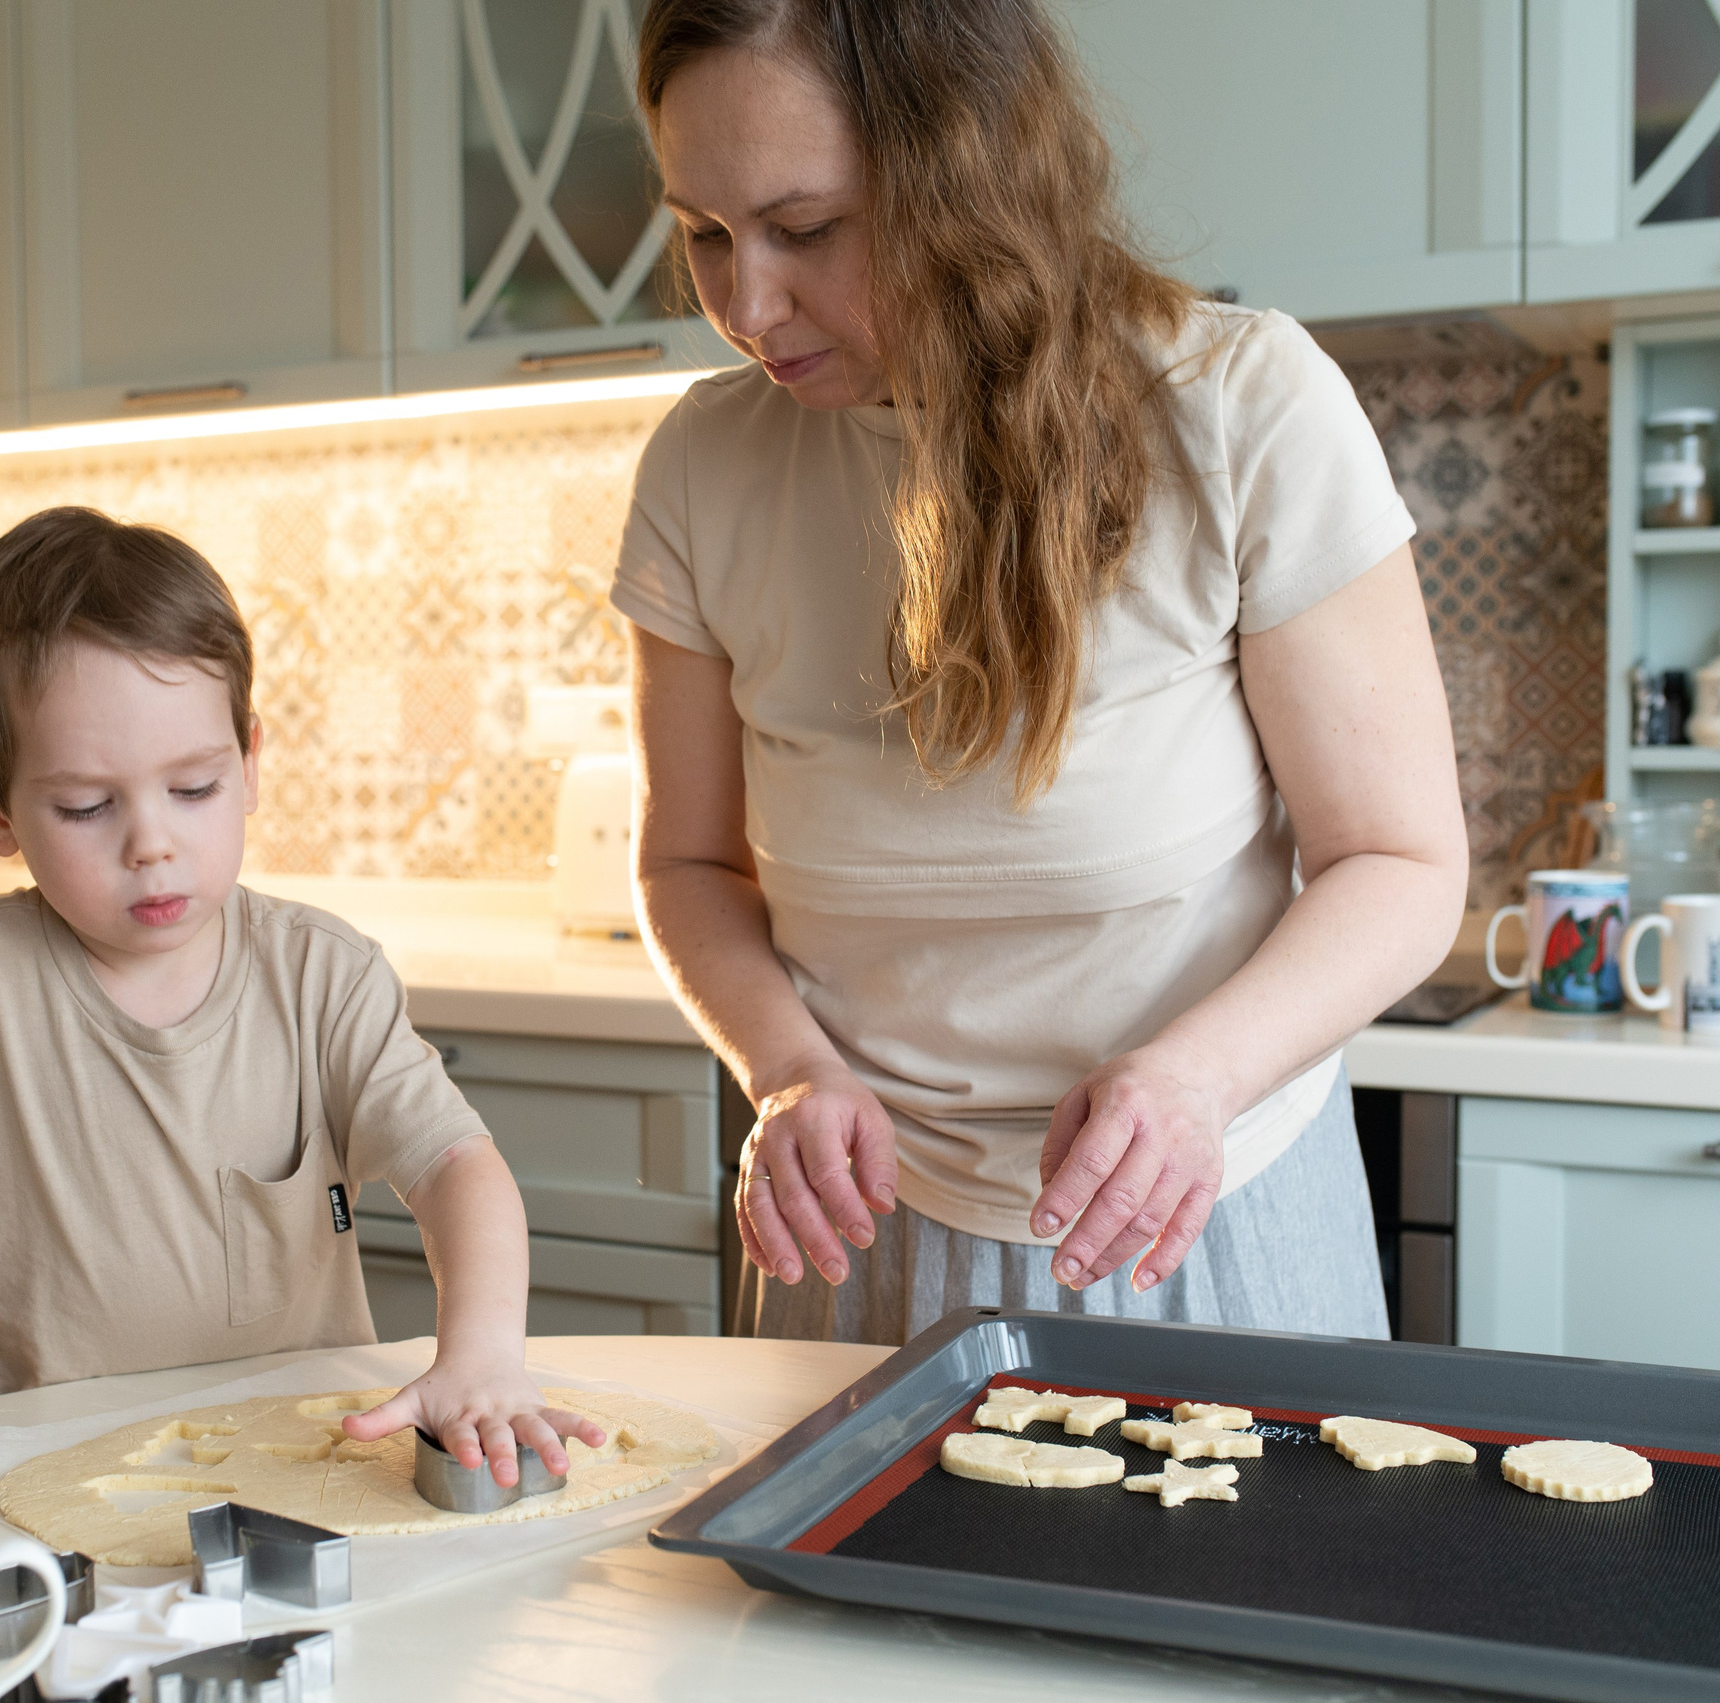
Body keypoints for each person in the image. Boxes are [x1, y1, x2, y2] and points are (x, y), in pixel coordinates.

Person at [617, 0, 1467, 1345]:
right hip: (861, 1224)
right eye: (705, 233)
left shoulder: (1241, 406)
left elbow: (1402, 862)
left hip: (1198, 1201)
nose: (745, 305)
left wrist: (1196, 1079)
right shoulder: (701, 467)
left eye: (806, 227)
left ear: (971, 174)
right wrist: (786, 1070)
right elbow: (687, 864)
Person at [0, 506, 599, 1482]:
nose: (150, 843)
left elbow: (457, 1165)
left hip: (297, 1471)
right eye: (85, 806)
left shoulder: (324, 977)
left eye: (194, 788)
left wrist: (483, 1354)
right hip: (27, 1481)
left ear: (250, 763)